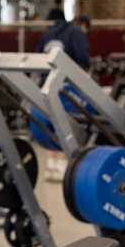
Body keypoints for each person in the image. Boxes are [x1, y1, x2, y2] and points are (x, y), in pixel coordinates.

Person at [36, 11, 91, 182]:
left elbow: (38, 56)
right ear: (83, 24)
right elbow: (83, 58)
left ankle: (51, 167)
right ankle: (64, 168)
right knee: (65, 124)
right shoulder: (76, 32)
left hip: (46, 85)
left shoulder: (48, 33)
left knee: (49, 126)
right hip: (67, 87)